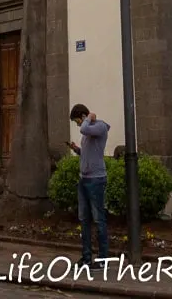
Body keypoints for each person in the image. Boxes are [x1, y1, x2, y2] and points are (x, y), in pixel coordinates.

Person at [69, 103, 110, 268]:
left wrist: (89, 118)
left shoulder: (99, 127)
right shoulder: (87, 131)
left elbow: (84, 129)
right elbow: (88, 152)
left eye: (77, 120)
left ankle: (102, 260)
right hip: (84, 179)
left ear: (83, 116)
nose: (78, 124)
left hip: (96, 180)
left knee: (99, 220)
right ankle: (86, 258)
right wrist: (77, 149)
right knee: (84, 219)